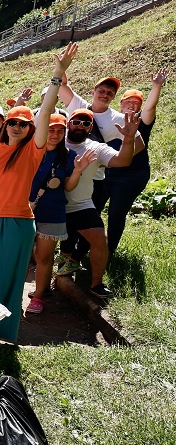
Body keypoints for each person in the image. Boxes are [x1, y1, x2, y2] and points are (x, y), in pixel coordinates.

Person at [0, 43, 76, 343]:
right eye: (12, 122)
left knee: (6, 280)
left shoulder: (32, 151)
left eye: (23, 124)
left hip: (17, 223)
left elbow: (46, 112)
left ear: (29, 129)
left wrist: (57, 74)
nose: (15, 127)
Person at [58, 107, 137, 298]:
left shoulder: (96, 147)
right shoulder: (56, 141)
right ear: (68, 124)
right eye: (76, 122)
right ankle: (41, 286)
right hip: (53, 203)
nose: (80, 126)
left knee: (101, 239)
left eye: (86, 123)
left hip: (80, 205)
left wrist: (128, 138)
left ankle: (96, 284)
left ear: (90, 127)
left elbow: (122, 161)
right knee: (42, 245)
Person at [25, 113, 91, 315]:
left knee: (44, 257)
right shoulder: (29, 151)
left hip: (52, 211)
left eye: (60, 130)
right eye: (51, 129)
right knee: (21, 255)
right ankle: (12, 294)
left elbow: (68, 187)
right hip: (22, 210)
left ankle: (38, 296)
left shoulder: (69, 156)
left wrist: (77, 171)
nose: (55, 134)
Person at [102, 69, 166, 253]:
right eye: (128, 101)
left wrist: (156, 86)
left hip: (132, 176)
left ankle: (109, 251)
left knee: (116, 212)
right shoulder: (111, 119)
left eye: (136, 102)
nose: (131, 105)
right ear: (120, 104)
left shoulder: (141, 121)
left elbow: (150, 108)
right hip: (107, 173)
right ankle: (84, 246)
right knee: (92, 207)